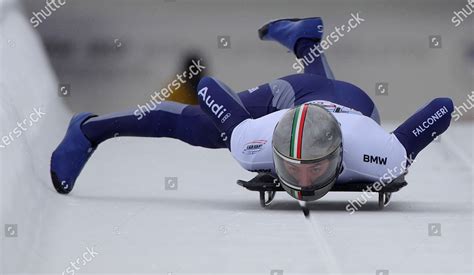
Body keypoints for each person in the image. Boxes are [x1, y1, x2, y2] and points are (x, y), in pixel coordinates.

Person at [50, 17, 453, 201]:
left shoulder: (380, 153)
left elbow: (443, 108)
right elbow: (208, 88)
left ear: (339, 157)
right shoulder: (252, 139)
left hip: (352, 104)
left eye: (312, 167)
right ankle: (89, 129)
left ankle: (304, 39)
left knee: (321, 87)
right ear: (274, 153)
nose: (305, 181)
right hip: (293, 99)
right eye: (294, 168)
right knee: (207, 128)